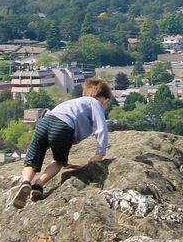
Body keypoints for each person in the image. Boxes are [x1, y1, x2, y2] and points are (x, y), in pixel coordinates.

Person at [12, 77, 111, 208]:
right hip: (63, 126)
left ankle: (26, 182)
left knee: (32, 161)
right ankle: (38, 185)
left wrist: (67, 161)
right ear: (105, 99)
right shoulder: (95, 103)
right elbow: (101, 128)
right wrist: (100, 153)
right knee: (58, 161)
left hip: (44, 123)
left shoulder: (74, 102)